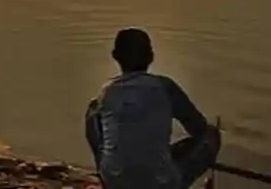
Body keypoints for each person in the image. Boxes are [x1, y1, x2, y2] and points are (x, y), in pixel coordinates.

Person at [85, 29, 221, 189]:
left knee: (93, 110)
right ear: (151, 57)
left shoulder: (105, 93)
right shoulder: (165, 87)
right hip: (162, 185)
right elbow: (198, 128)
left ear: (115, 56)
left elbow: (96, 136)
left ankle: (106, 175)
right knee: (211, 135)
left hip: (115, 182)